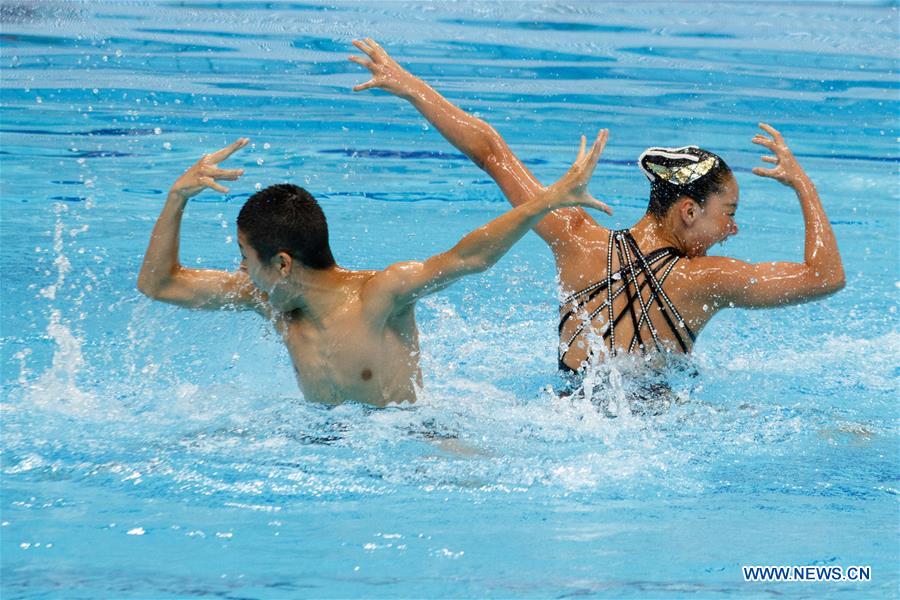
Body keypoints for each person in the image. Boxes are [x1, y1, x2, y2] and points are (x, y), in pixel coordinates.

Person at [350, 38, 845, 376]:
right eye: (729, 213)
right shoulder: (708, 280)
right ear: (689, 211)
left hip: (565, 413)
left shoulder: (574, 237)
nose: (732, 230)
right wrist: (803, 184)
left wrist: (410, 86)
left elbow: (491, 151)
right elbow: (825, 278)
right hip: (652, 437)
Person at [137, 134, 612, 406]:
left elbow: (469, 258)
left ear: (281, 263)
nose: (240, 267)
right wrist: (176, 198)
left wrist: (548, 201)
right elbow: (159, 283)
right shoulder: (268, 300)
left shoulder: (379, 294)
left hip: (407, 442)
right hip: (320, 447)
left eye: (245, 255)